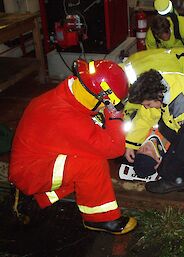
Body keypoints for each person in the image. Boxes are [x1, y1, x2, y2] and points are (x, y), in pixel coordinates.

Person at [9, 59, 137, 235]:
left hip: (39, 162)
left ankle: (36, 198)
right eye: (106, 104)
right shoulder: (67, 118)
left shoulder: (68, 96)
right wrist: (114, 114)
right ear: (102, 98)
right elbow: (114, 148)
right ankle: (100, 219)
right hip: (30, 172)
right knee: (92, 164)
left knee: (85, 169)